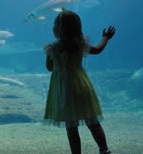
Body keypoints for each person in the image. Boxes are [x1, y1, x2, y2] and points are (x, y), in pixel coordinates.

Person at [43, 10, 115, 154]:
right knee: (93, 122)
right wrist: (106, 38)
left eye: (55, 24)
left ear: (59, 29)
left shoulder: (53, 48)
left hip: (64, 89)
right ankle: (104, 150)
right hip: (81, 85)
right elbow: (98, 49)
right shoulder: (81, 44)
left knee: (71, 127)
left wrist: (53, 59)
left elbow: (50, 68)